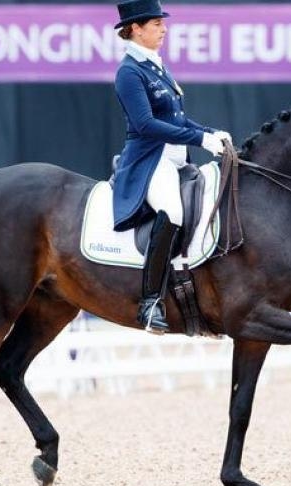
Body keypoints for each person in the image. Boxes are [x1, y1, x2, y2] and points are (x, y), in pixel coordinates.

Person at [112, 0, 231, 334]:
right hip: (150, 161)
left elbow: (177, 118)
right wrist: (199, 140)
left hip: (176, 158)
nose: (164, 30)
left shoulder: (156, 67)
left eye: (162, 24)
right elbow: (147, 125)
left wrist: (209, 133)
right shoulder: (129, 72)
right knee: (173, 212)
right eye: (156, 25)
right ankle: (150, 303)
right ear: (135, 29)